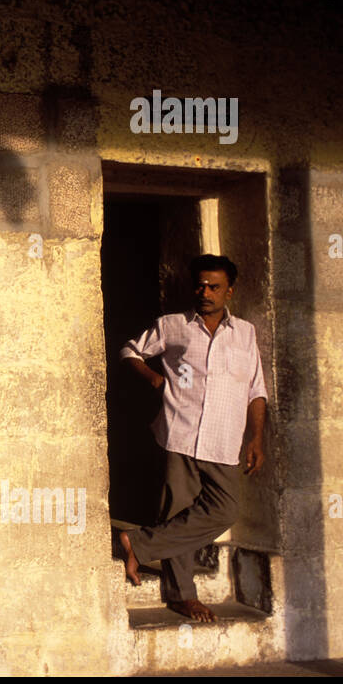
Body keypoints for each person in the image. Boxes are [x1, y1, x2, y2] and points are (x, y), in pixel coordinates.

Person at [115, 254, 268, 622]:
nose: (206, 292)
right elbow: (129, 351)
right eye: (200, 285)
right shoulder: (173, 326)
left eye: (215, 286)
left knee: (225, 509)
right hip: (180, 432)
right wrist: (153, 378)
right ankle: (182, 594)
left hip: (224, 439)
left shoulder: (245, 333)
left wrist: (256, 438)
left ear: (229, 291)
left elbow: (256, 389)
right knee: (178, 511)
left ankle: (139, 543)